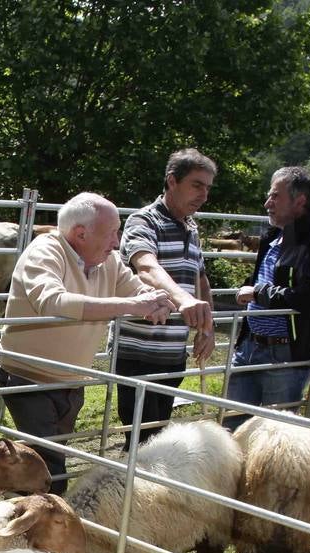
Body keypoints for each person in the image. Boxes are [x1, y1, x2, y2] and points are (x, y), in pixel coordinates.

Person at [0, 193, 176, 491]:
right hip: (26, 377)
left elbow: (138, 290)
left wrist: (157, 301)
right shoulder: (45, 251)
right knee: (48, 467)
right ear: (80, 233)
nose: (117, 242)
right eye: (112, 232)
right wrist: (133, 306)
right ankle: (42, 522)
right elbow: (53, 302)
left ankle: (24, 515)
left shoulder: (109, 262)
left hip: (69, 381)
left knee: (48, 457)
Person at [225, 166, 310, 429]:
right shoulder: (274, 235)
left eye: (275, 196)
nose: (268, 203)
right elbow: (265, 279)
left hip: (285, 355)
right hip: (249, 348)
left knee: (274, 435)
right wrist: (251, 289)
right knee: (232, 427)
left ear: (299, 201)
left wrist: (257, 293)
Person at [116, 148, 217, 448]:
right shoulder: (143, 221)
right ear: (172, 181)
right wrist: (183, 300)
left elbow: (201, 280)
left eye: (208, 188)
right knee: (143, 439)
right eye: (197, 185)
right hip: (138, 352)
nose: (204, 196)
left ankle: (143, 491)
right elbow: (146, 266)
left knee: (158, 434)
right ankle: (134, 491)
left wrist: (207, 327)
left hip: (173, 353)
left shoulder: (191, 228)